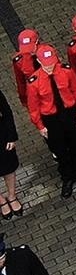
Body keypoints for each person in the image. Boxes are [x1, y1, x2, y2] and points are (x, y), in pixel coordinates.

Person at [24, 47, 76, 198]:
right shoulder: (33, 82)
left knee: (75, 146)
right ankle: (67, 178)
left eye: (51, 63)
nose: (49, 66)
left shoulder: (66, 71)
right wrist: (40, 126)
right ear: (39, 61)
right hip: (51, 120)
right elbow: (33, 107)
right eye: (46, 63)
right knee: (60, 151)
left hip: (69, 114)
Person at [0, 89, 20, 218]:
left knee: (8, 167)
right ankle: (1, 201)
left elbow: (7, 112)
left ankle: (12, 196)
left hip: (1, 136)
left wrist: (11, 136)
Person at [10, 32, 40, 109]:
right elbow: (21, 82)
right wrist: (24, 99)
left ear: (37, 42)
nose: (28, 51)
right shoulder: (18, 61)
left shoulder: (47, 51)